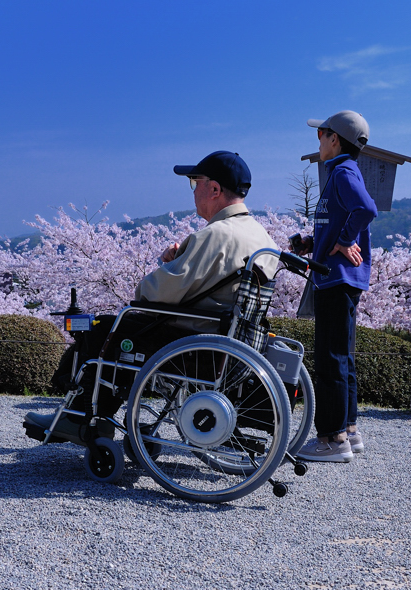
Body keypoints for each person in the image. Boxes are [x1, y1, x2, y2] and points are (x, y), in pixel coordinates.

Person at [24, 151, 278, 437]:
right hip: (229, 343)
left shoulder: (216, 235)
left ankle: (82, 417)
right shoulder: (263, 237)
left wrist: (166, 264)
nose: (193, 192)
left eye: (196, 183)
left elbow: (154, 294)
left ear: (215, 189)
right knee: (117, 328)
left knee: (102, 328)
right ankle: (84, 415)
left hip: (194, 343)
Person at [294, 111, 377, 462]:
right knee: (342, 356)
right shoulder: (343, 172)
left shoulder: (342, 172)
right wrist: (312, 242)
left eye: (321, 134)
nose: (319, 140)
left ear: (335, 140)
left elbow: (366, 209)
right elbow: (345, 216)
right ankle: (350, 430)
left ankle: (332, 440)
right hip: (339, 276)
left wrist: (343, 240)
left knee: (330, 358)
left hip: (337, 277)